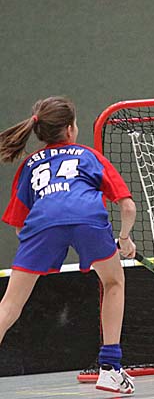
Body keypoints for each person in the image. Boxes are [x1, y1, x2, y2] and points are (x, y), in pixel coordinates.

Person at [0, 96, 136, 393]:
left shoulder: (29, 165)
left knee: (9, 305)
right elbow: (127, 207)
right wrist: (124, 239)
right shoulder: (89, 156)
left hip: (41, 225)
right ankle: (110, 370)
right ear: (71, 128)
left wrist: (38, 246)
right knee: (113, 282)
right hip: (88, 219)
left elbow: (20, 225)